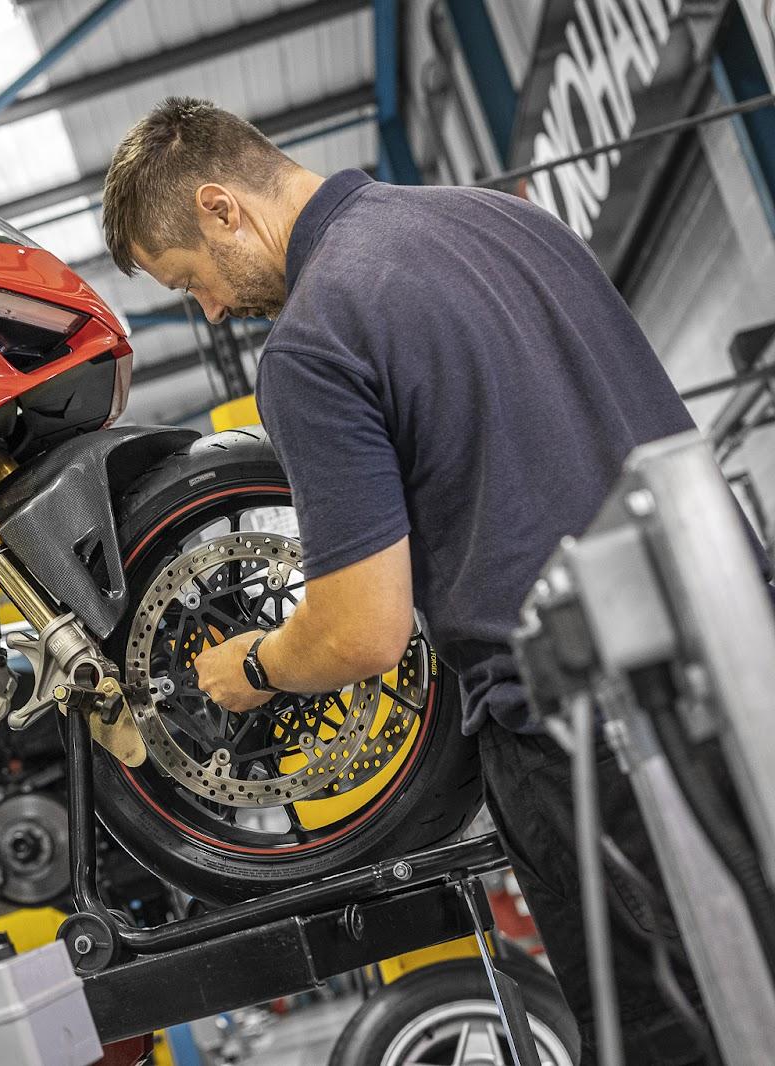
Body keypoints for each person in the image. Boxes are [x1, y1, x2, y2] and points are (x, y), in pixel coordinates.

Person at [100, 96, 710, 1064]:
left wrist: (249, 668)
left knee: (671, 1036)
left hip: (581, 737)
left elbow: (360, 632)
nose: (209, 309)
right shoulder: (507, 221)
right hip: (731, 660)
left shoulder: (310, 341)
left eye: (190, 281)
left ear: (221, 208)